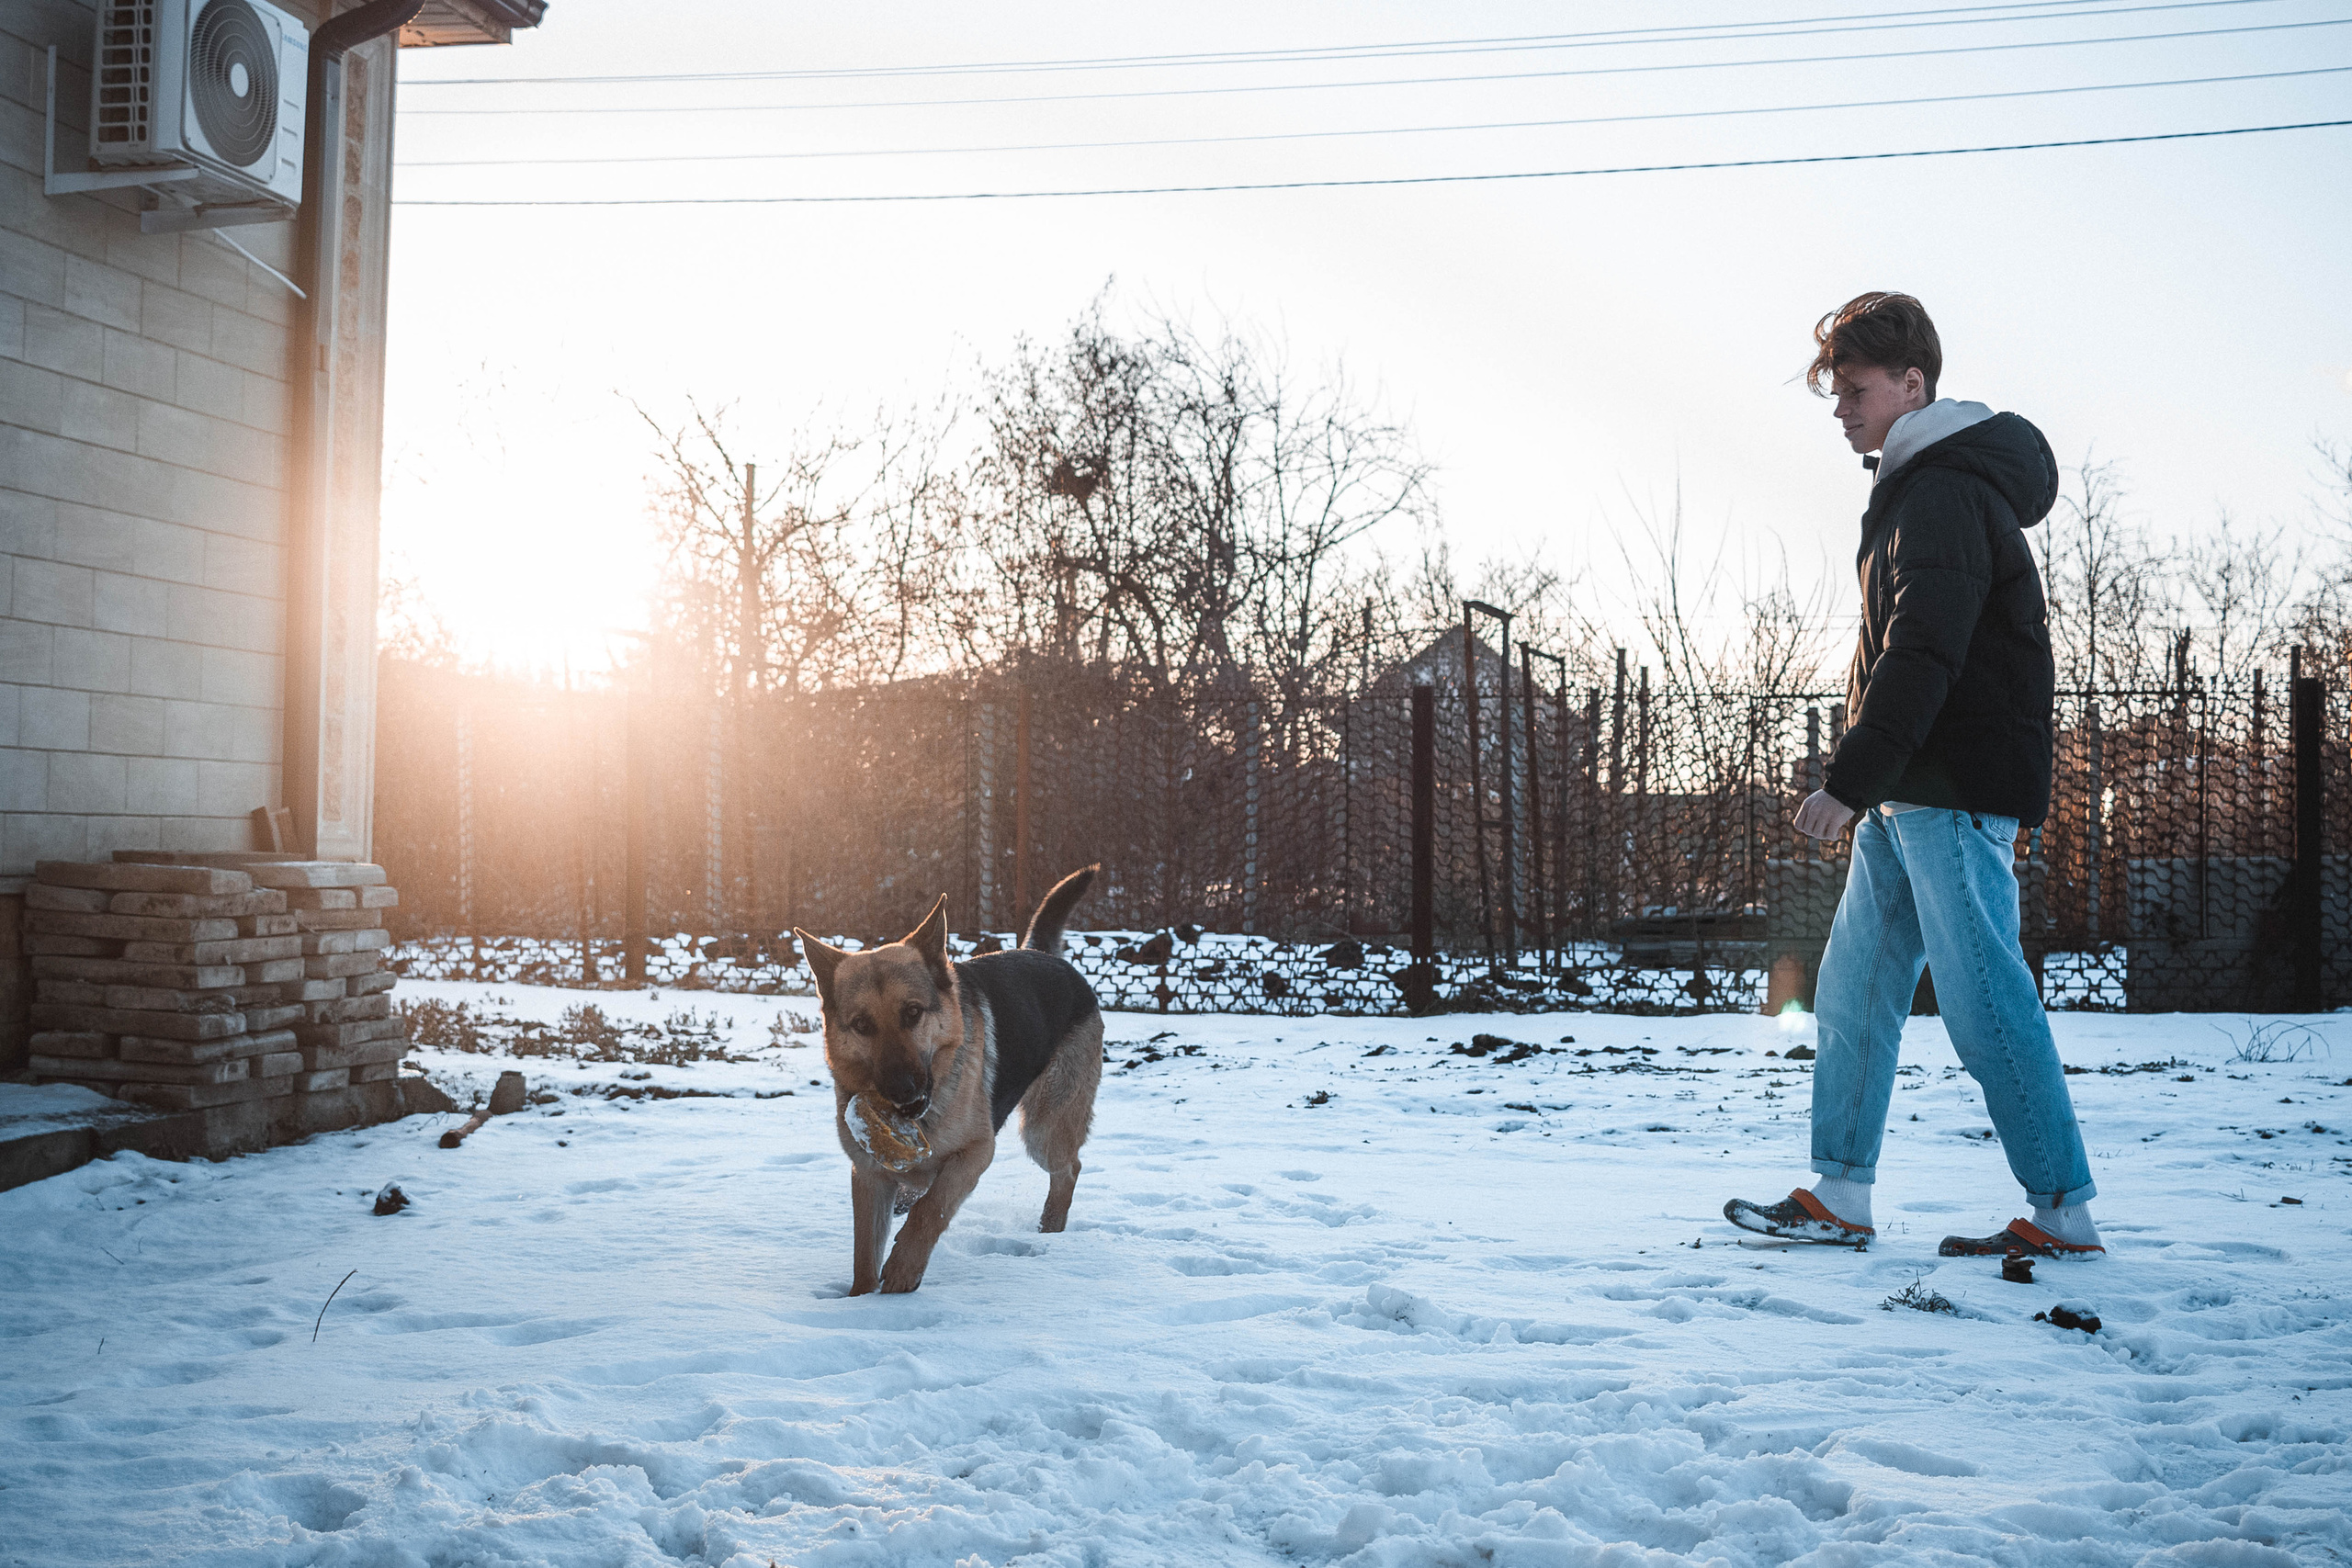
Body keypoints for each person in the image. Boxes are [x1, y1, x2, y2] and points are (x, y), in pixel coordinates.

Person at [1724, 292, 2103, 1259]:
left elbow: (1921, 654)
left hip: (1955, 788)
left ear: (1912, 384)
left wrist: (1847, 779)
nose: (1841, 409)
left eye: (1854, 389)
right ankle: (1840, 1192)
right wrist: (1874, 785)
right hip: (1911, 795)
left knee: (1983, 1001)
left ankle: (2061, 1210)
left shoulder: (1941, 492)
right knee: (1852, 993)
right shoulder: (1918, 488)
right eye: (1835, 392)